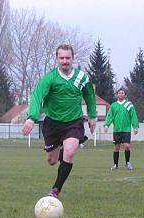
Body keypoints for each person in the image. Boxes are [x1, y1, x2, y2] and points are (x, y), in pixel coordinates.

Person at [22, 44, 97, 198]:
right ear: (57, 59)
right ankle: (60, 151)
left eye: (67, 58)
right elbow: (37, 96)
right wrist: (31, 118)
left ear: (73, 58)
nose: (65, 61)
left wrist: (92, 116)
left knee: (69, 153)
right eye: (61, 58)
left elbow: (89, 95)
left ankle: (55, 190)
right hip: (53, 124)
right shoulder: (50, 78)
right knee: (52, 160)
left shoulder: (82, 77)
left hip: (73, 122)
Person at [104, 88, 139, 170]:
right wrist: (107, 125)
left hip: (126, 129)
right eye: (119, 93)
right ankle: (115, 165)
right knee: (117, 147)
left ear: (125, 95)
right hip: (117, 130)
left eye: (122, 93)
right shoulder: (113, 105)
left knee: (127, 146)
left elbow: (133, 116)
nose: (121, 94)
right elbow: (109, 116)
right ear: (117, 95)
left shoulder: (129, 105)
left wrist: (135, 127)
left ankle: (127, 163)